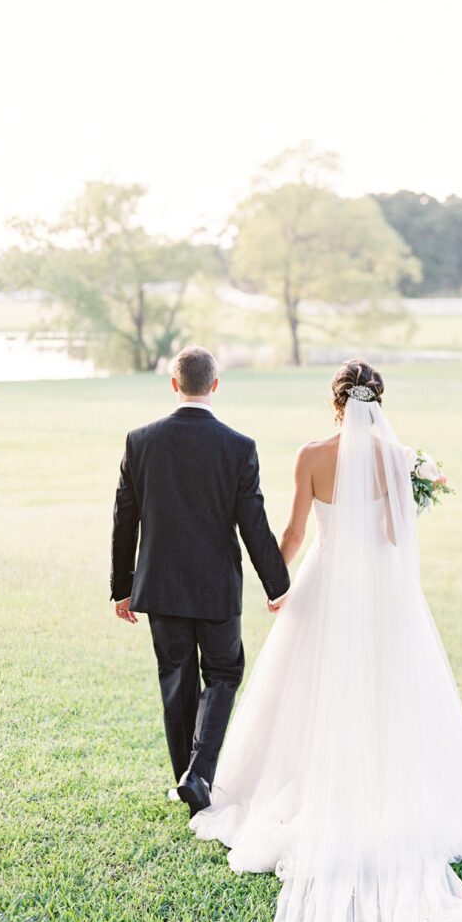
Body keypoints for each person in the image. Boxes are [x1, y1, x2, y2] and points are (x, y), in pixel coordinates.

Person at [190, 359, 462, 922]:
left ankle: (304, 776)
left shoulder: (311, 455)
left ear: (335, 402)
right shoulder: (396, 458)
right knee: (391, 688)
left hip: (325, 582)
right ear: (379, 401)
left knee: (308, 691)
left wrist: (277, 584)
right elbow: (394, 535)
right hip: (383, 592)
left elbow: (294, 532)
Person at [110, 346, 290, 816]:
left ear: (174, 384)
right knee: (224, 674)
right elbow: (254, 523)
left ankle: (190, 781)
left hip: (161, 587)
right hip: (216, 588)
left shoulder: (140, 441)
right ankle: (199, 774)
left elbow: (124, 519)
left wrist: (122, 586)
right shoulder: (238, 447)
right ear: (215, 385)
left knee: (177, 680)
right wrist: (277, 585)